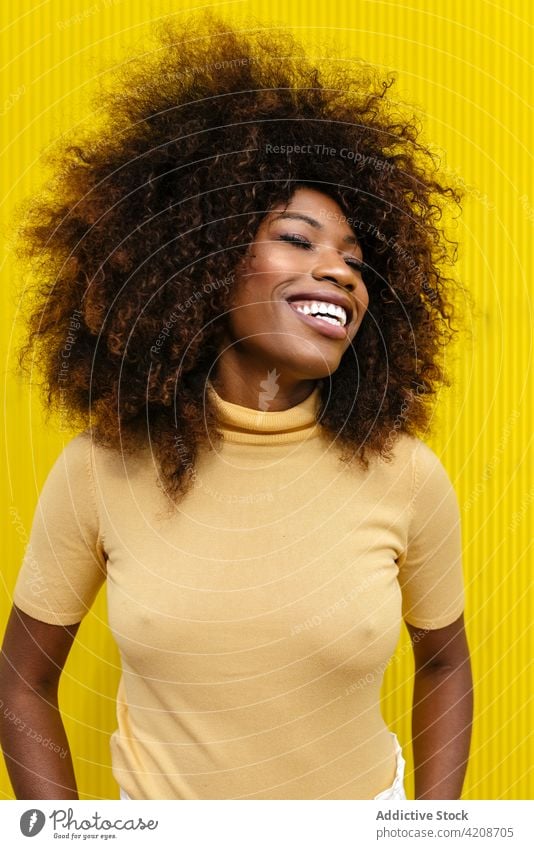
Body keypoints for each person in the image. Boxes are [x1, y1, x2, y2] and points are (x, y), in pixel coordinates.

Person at [0, 11, 473, 800]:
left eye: (357, 261)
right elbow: (21, 683)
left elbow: (446, 662)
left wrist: (432, 829)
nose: (341, 272)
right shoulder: (99, 469)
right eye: (298, 239)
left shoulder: (407, 475)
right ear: (206, 259)